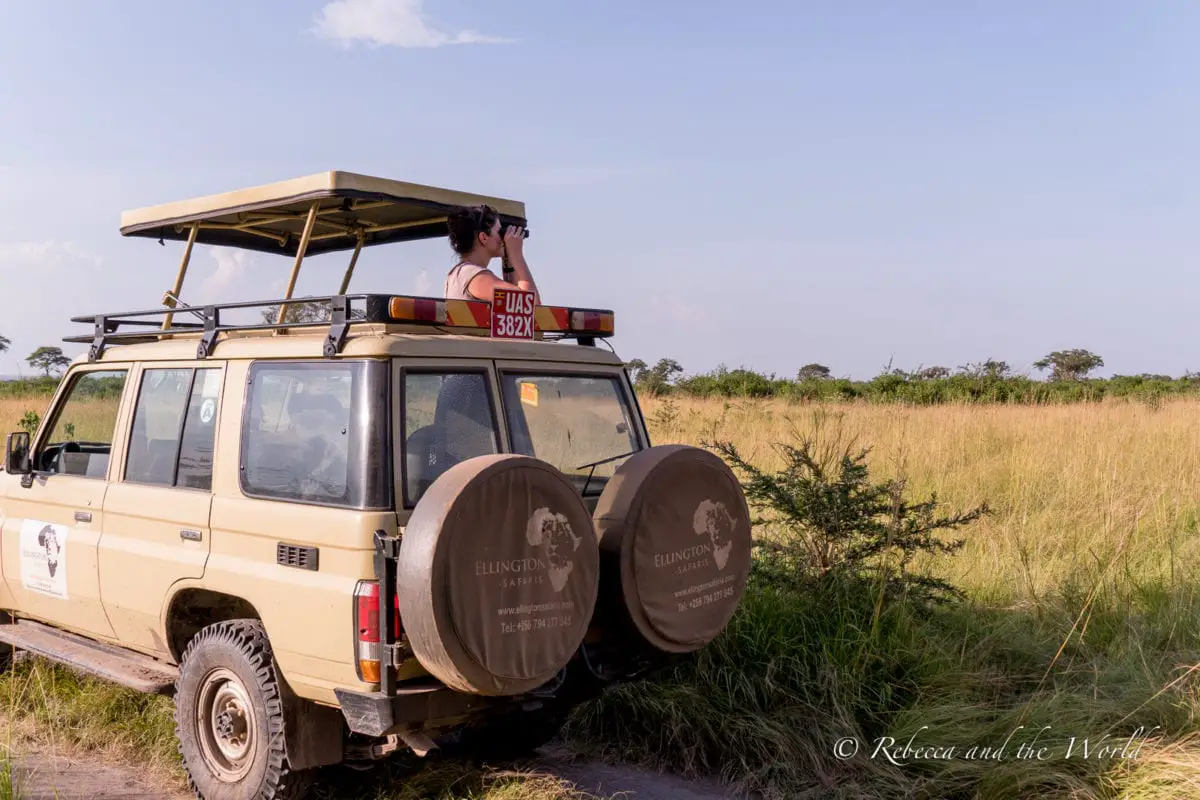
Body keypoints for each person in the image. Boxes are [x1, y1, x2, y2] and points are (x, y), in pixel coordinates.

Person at [444, 204, 540, 304]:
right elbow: (530, 306)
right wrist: (516, 254)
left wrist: (508, 258)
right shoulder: (473, 275)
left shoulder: (461, 273)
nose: (503, 238)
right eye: (499, 232)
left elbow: (514, 311)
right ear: (483, 238)